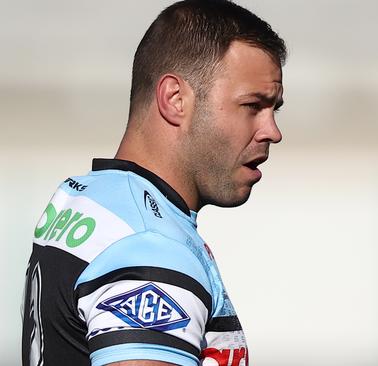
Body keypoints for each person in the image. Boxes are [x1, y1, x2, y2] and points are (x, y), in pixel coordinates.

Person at [21, 0, 286, 365]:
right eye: (253, 106)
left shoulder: (90, 199)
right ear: (176, 99)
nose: (272, 131)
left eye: (275, 109)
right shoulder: (150, 247)